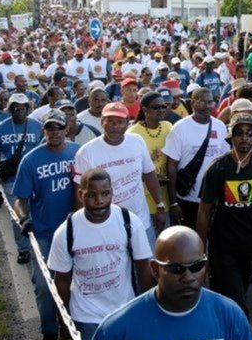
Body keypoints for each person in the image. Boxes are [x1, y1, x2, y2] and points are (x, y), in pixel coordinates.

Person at [75, 226, 252, 340]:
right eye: (176, 269)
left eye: (196, 266)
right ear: (155, 269)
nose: (188, 277)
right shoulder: (118, 326)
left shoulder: (229, 316)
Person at [48, 168, 153, 340]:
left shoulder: (130, 222)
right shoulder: (65, 232)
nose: (99, 201)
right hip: (86, 317)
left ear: (112, 192)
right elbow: (62, 280)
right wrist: (63, 322)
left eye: (105, 194)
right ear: (80, 195)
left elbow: (144, 268)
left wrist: (148, 309)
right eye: (91, 195)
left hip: (125, 311)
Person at [197, 112, 252, 313]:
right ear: (231, 137)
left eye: (250, 134)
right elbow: (204, 211)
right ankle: (240, 328)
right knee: (234, 298)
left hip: (251, 243)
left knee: (240, 289)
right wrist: (200, 253)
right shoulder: (217, 168)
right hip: (222, 245)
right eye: (239, 133)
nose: (245, 138)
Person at [12, 109, 80, 340]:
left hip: (75, 230)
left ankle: (71, 327)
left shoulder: (78, 153)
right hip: (45, 233)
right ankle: (49, 332)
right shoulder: (31, 160)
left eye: (59, 127)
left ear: (67, 129)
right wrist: (24, 218)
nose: (54, 132)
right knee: (43, 285)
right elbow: (20, 198)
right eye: (49, 128)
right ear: (43, 131)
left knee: (78, 283)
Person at [74, 102, 165, 250]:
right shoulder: (86, 152)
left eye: (120, 122)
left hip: (140, 221)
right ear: (102, 122)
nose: (115, 126)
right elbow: (80, 192)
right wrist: (85, 225)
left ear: (127, 123)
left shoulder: (137, 141)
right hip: (107, 226)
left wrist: (159, 205)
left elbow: (149, 174)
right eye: (110, 121)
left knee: (148, 262)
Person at [0, 93, 42, 264]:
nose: (20, 111)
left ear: (28, 109)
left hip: (36, 178)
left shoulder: (37, 126)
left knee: (37, 212)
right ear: (10, 110)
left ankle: (39, 244)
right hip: (12, 179)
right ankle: (23, 249)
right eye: (16, 108)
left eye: (23, 108)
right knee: (19, 216)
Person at [164, 88, 228, 230]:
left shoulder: (220, 126)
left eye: (210, 102)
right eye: (202, 102)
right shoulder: (179, 128)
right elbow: (171, 166)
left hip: (213, 198)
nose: (207, 106)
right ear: (193, 103)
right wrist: (173, 202)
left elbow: (225, 160)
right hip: (187, 198)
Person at [128, 91, 174, 233]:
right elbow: (130, 168)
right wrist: (149, 177)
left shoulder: (168, 127)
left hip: (165, 196)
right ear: (144, 109)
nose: (161, 110)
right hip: (144, 197)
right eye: (156, 107)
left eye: (163, 106)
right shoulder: (133, 133)